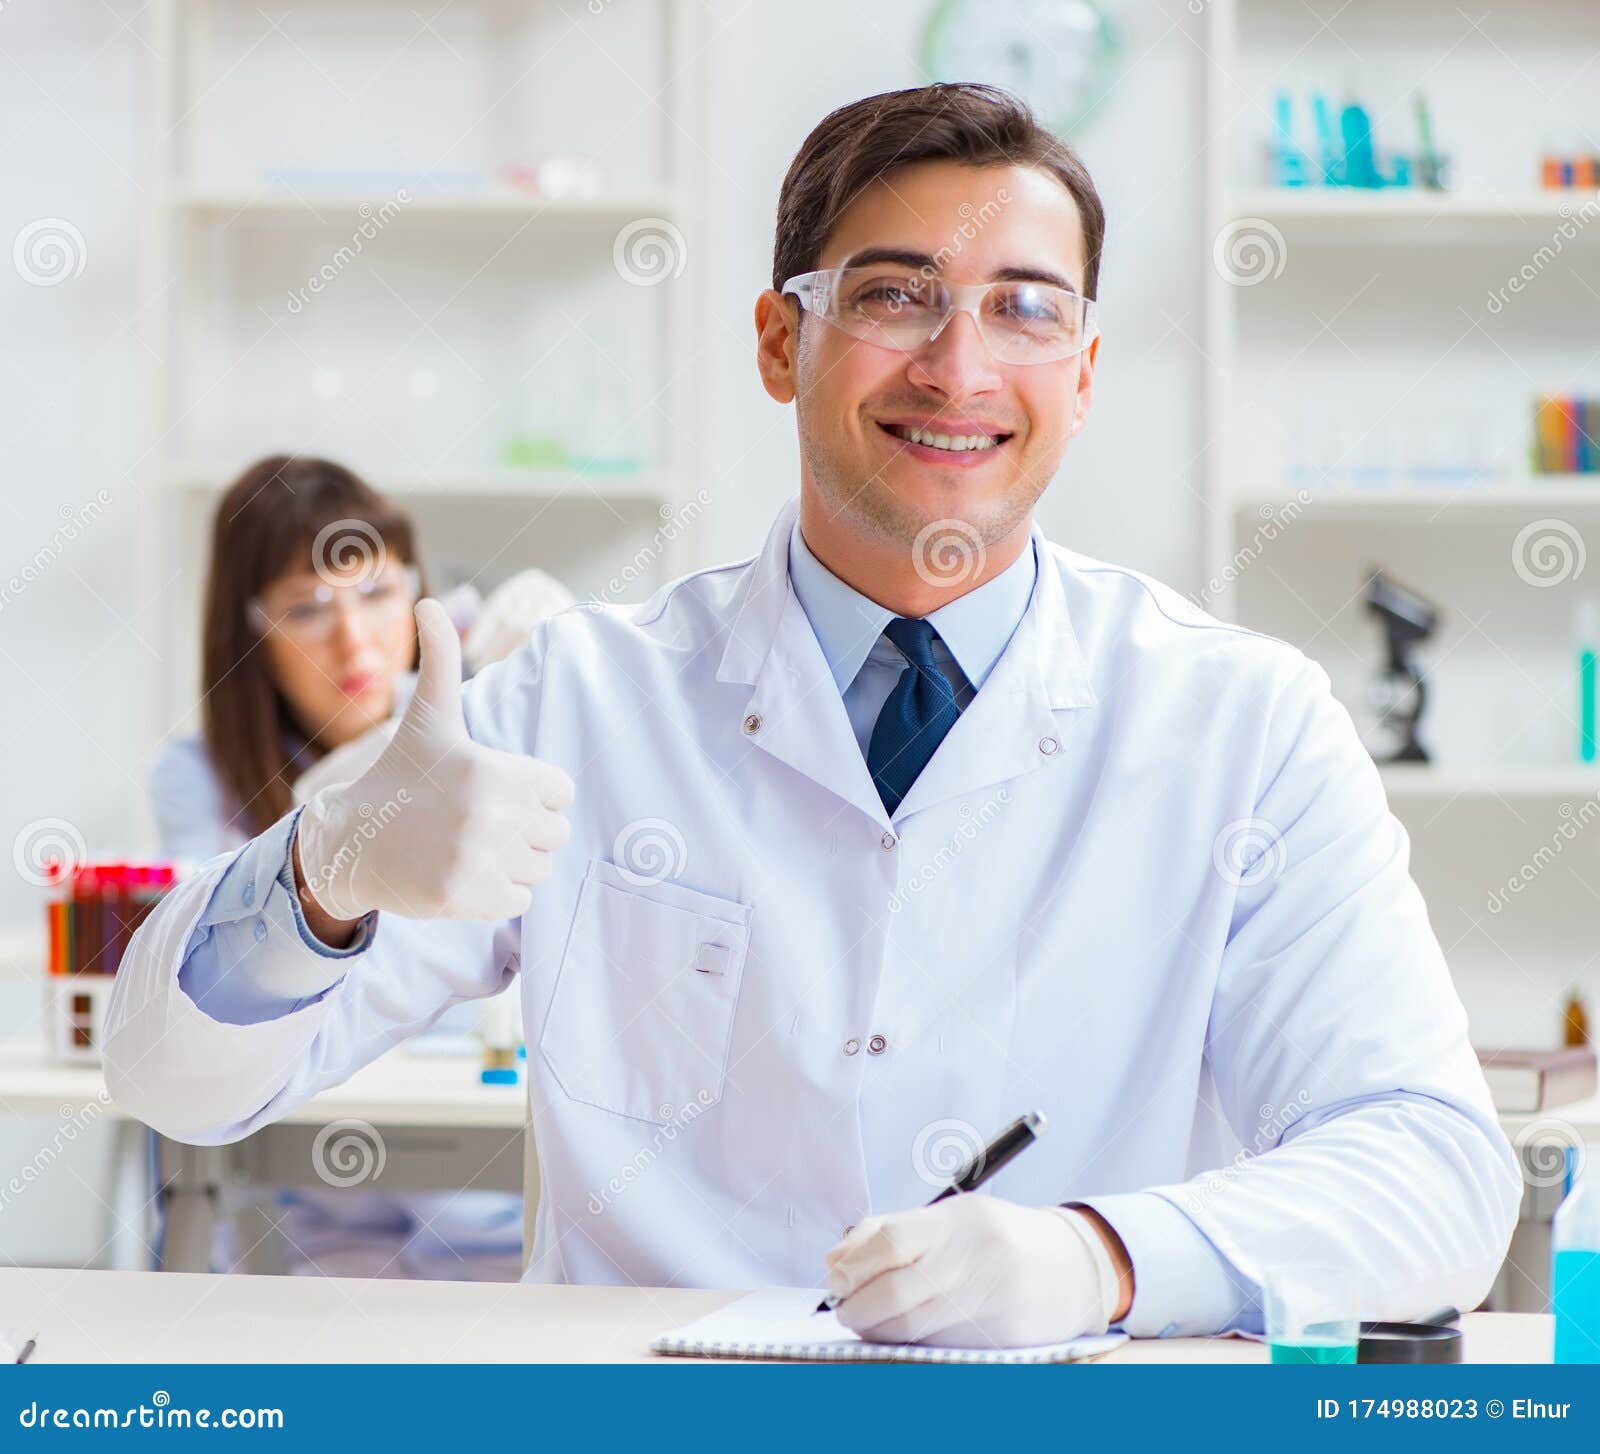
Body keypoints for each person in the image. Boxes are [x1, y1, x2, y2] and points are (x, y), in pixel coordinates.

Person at [109, 84, 1519, 1347]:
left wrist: (1100, 1261)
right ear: (783, 341)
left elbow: (1438, 1175)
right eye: (897, 295)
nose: (960, 368)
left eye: (1027, 307)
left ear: (1083, 376)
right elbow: (171, 1078)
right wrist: (327, 865)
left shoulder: (1244, 724)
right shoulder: (573, 697)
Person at [148, 454, 525, 1280]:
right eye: (309, 610)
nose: (356, 640)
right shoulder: (201, 774)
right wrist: (342, 798)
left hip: (497, 1195)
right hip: (323, 1199)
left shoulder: (485, 726)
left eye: (381, 593)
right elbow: (205, 989)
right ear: (250, 634)